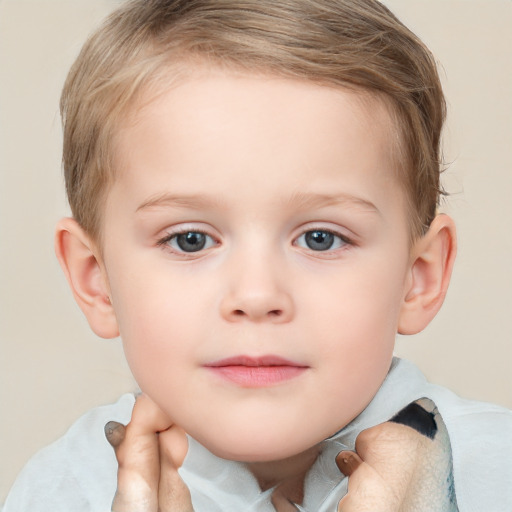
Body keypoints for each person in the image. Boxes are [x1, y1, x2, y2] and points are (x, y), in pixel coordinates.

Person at [3, 0, 512, 510]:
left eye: (321, 238)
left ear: (417, 277)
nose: (256, 295)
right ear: (96, 279)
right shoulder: (64, 489)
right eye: (190, 239)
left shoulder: (495, 475)